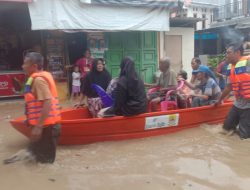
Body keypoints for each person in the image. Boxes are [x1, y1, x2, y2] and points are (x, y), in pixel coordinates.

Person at [4, 52, 61, 164]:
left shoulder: (39, 80)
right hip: (42, 127)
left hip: (47, 128)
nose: (22, 66)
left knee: (45, 164)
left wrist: (38, 127)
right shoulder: (33, 79)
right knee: (33, 158)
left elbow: (47, 102)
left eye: (25, 63)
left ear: (34, 66)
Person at [215, 43, 250, 139]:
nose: (226, 55)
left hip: (248, 107)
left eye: (229, 52)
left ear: (238, 52)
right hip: (237, 104)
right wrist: (219, 100)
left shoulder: (248, 62)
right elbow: (228, 87)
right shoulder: (231, 68)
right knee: (225, 130)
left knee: (244, 138)